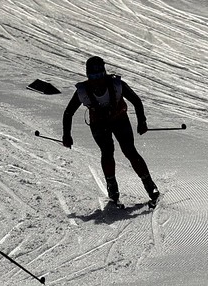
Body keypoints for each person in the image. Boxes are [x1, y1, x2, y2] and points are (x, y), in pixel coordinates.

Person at [61, 56, 161, 206]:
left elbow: (136, 101)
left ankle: (149, 185)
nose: (97, 80)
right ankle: (112, 187)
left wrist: (142, 121)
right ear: (88, 75)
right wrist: (66, 134)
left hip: (119, 119)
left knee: (129, 151)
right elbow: (68, 112)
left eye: (100, 75)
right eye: (93, 76)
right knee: (107, 152)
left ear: (104, 72)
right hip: (100, 124)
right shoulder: (84, 91)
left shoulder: (116, 84)